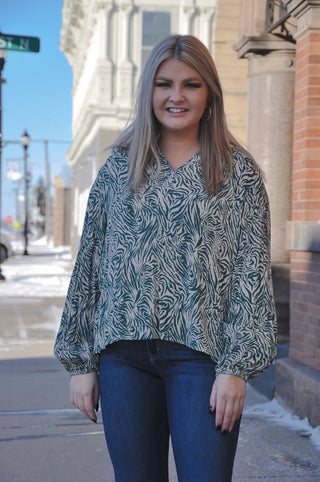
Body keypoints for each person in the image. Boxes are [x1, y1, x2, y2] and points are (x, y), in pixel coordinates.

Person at [54, 34, 277, 482]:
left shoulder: (239, 175)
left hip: (201, 360)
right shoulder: (118, 170)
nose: (176, 96)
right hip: (122, 361)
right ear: (148, 93)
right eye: (164, 84)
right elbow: (90, 269)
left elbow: (251, 277)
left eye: (190, 84)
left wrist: (236, 369)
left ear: (209, 91)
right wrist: (82, 364)